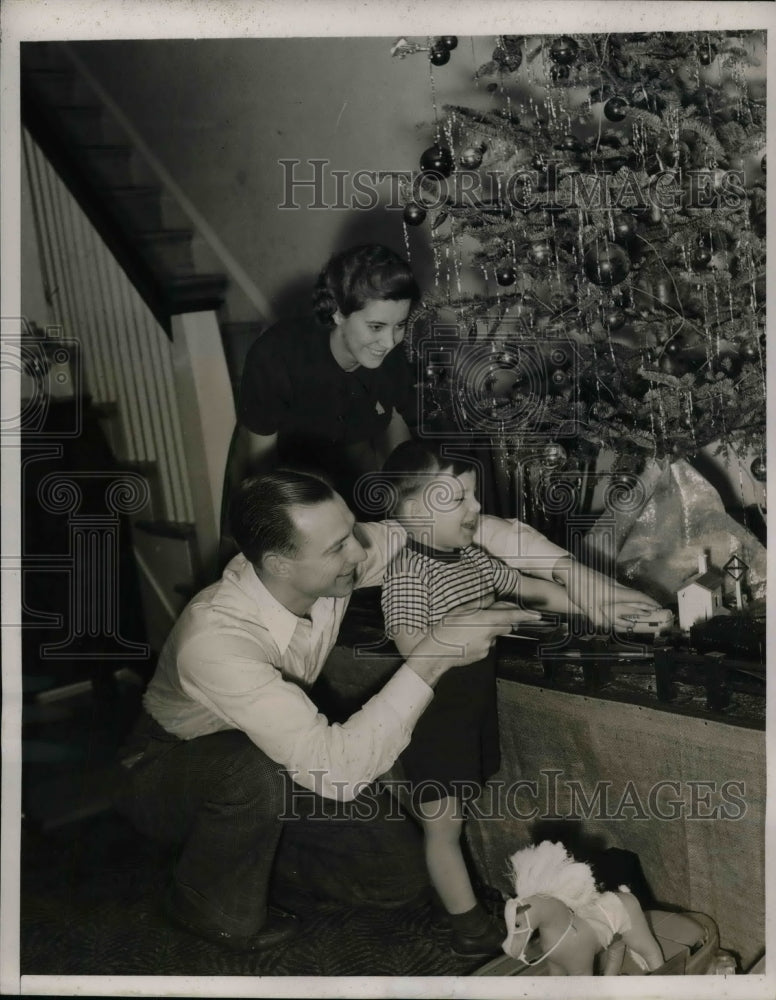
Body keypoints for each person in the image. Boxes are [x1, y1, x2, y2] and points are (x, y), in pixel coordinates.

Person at [115, 469, 660, 954]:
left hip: (281, 757)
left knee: (396, 880)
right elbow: (342, 769)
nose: (358, 553)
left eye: (352, 530)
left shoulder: (323, 558)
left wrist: (580, 578)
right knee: (251, 770)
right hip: (169, 768)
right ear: (279, 564)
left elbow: (480, 528)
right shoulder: (215, 640)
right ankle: (206, 904)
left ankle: (261, 849)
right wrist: (435, 653)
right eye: (336, 550)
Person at [378, 441, 581, 956]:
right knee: (442, 828)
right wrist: (481, 619)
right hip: (432, 721)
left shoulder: (472, 560)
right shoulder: (407, 574)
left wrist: (590, 602)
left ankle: (465, 901)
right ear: (412, 512)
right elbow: (413, 649)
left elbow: (529, 589)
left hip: (467, 713)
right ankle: (468, 927)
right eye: (458, 499)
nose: (475, 509)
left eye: (474, 496)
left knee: (455, 814)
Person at [228, 243, 420, 520]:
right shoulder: (277, 355)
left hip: (353, 473)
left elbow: (399, 454)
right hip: (280, 480)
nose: (389, 342)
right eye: (376, 327)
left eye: (400, 325)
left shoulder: (391, 359)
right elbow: (260, 469)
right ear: (338, 312)